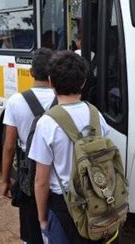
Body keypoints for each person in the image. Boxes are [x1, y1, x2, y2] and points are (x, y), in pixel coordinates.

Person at [29, 50, 110, 243]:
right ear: (83, 82)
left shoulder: (47, 123)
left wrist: (41, 219)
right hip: (96, 202)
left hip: (62, 206)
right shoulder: (96, 115)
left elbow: (41, 181)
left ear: (50, 82)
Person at [0, 47, 56, 244]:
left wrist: (6, 180)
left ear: (31, 72)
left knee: (31, 233)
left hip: (28, 177)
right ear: (53, 73)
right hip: (57, 178)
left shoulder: (16, 101)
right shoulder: (62, 99)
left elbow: (9, 146)